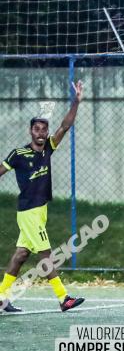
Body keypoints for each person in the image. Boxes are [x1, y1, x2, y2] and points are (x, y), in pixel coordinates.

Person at [0, 81, 86, 313]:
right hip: (28, 212)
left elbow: (65, 126)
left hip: (40, 210)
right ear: (31, 131)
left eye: (44, 129)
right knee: (46, 255)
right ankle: (63, 298)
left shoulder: (48, 147)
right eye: (36, 129)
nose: (40, 133)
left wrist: (76, 101)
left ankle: (0, 298)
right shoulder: (18, 154)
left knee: (20, 256)